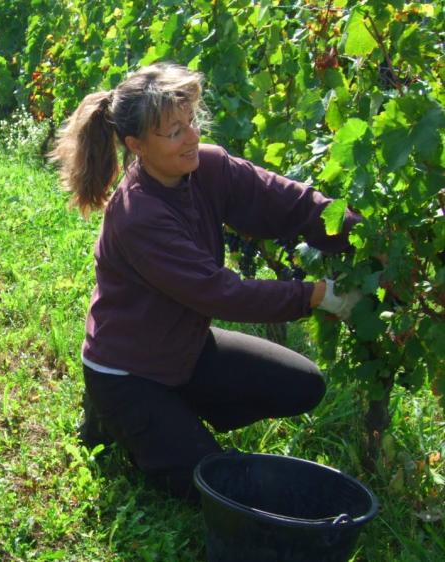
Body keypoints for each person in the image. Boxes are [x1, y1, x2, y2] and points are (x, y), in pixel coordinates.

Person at [49, 63, 362, 501]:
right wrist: (318, 296)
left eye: (190, 122)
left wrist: (361, 234)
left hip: (184, 348)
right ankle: (120, 416)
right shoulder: (139, 214)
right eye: (174, 131)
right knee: (221, 489)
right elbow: (220, 292)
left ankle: (170, 418)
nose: (192, 136)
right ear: (136, 145)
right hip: (128, 371)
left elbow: (287, 203)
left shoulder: (207, 167)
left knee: (303, 385)